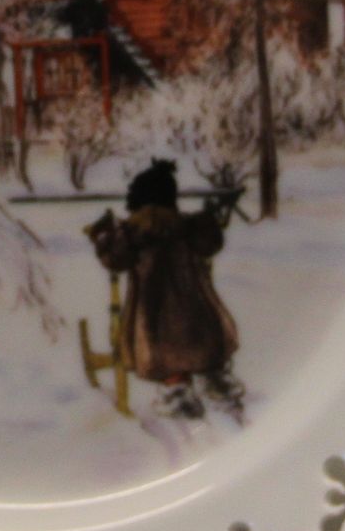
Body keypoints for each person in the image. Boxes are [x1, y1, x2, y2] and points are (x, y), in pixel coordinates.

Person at [87, 159, 244, 421]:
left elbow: (114, 260)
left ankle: (177, 390)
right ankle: (214, 378)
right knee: (205, 344)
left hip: (155, 314)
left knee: (165, 354)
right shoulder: (186, 225)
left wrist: (102, 236)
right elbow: (211, 243)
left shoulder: (131, 232)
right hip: (196, 309)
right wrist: (209, 218)